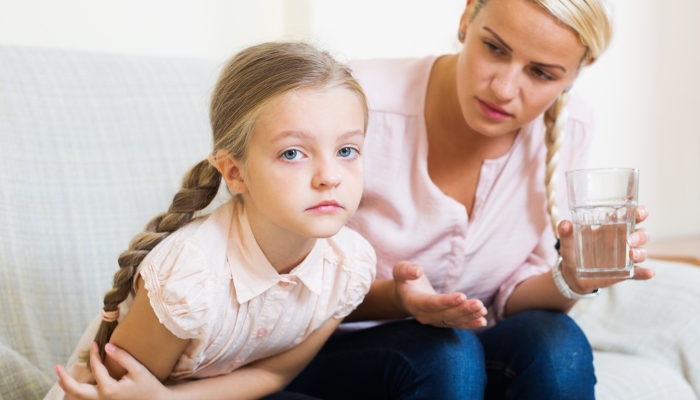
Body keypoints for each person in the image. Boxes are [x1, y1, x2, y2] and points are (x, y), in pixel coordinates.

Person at [57, 0, 655, 399]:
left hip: (428, 340)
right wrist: (401, 300)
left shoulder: (569, 131)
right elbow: (282, 271)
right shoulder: (347, 103)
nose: (505, 88)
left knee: (557, 343)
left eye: (542, 74)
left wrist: (576, 277)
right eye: (495, 48)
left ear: (575, 75)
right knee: (446, 354)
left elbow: (513, 298)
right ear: (467, 15)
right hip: (335, 342)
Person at [48, 42, 376, 400]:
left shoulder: (350, 264)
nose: (329, 177)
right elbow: (113, 390)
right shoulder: (192, 277)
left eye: (346, 151)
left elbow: (274, 372)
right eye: (292, 153)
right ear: (235, 173)